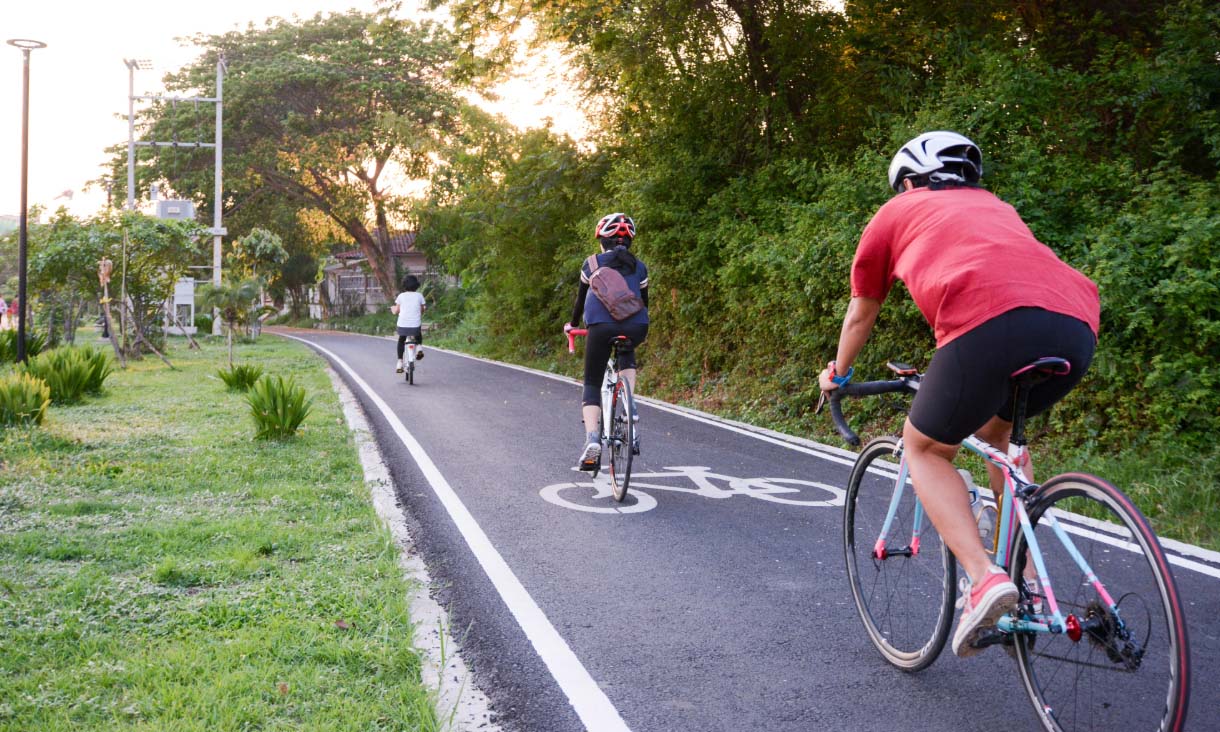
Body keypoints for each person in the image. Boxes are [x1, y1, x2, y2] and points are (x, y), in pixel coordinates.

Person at [818, 131, 1100, 657]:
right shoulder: (997, 207)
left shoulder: (897, 210)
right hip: (1076, 323)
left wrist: (838, 373)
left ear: (906, 181)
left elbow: (863, 309)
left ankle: (984, 578)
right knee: (999, 434)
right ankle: (1032, 583)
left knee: (925, 448)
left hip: (986, 322)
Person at [565, 213, 650, 469]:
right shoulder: (640, 267)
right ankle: (629, 408)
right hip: (636, 325)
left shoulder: (591, 263)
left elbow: (580, 302)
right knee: (627, 350)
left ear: (602, 240)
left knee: (592, 381)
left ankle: (592, 439)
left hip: (600, 327)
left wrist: (573, 325)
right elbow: (643, 304)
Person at [390, 274, 426, 372]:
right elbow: (422, 310)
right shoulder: (419, 296)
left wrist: (392, 309)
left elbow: (396, 311)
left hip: (402, 326)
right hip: (415, 326)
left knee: (401, 339)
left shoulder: (401, 296)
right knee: (418, 332)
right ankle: (419, 348)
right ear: (416, 285)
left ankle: (399, 363)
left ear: (404, 285)